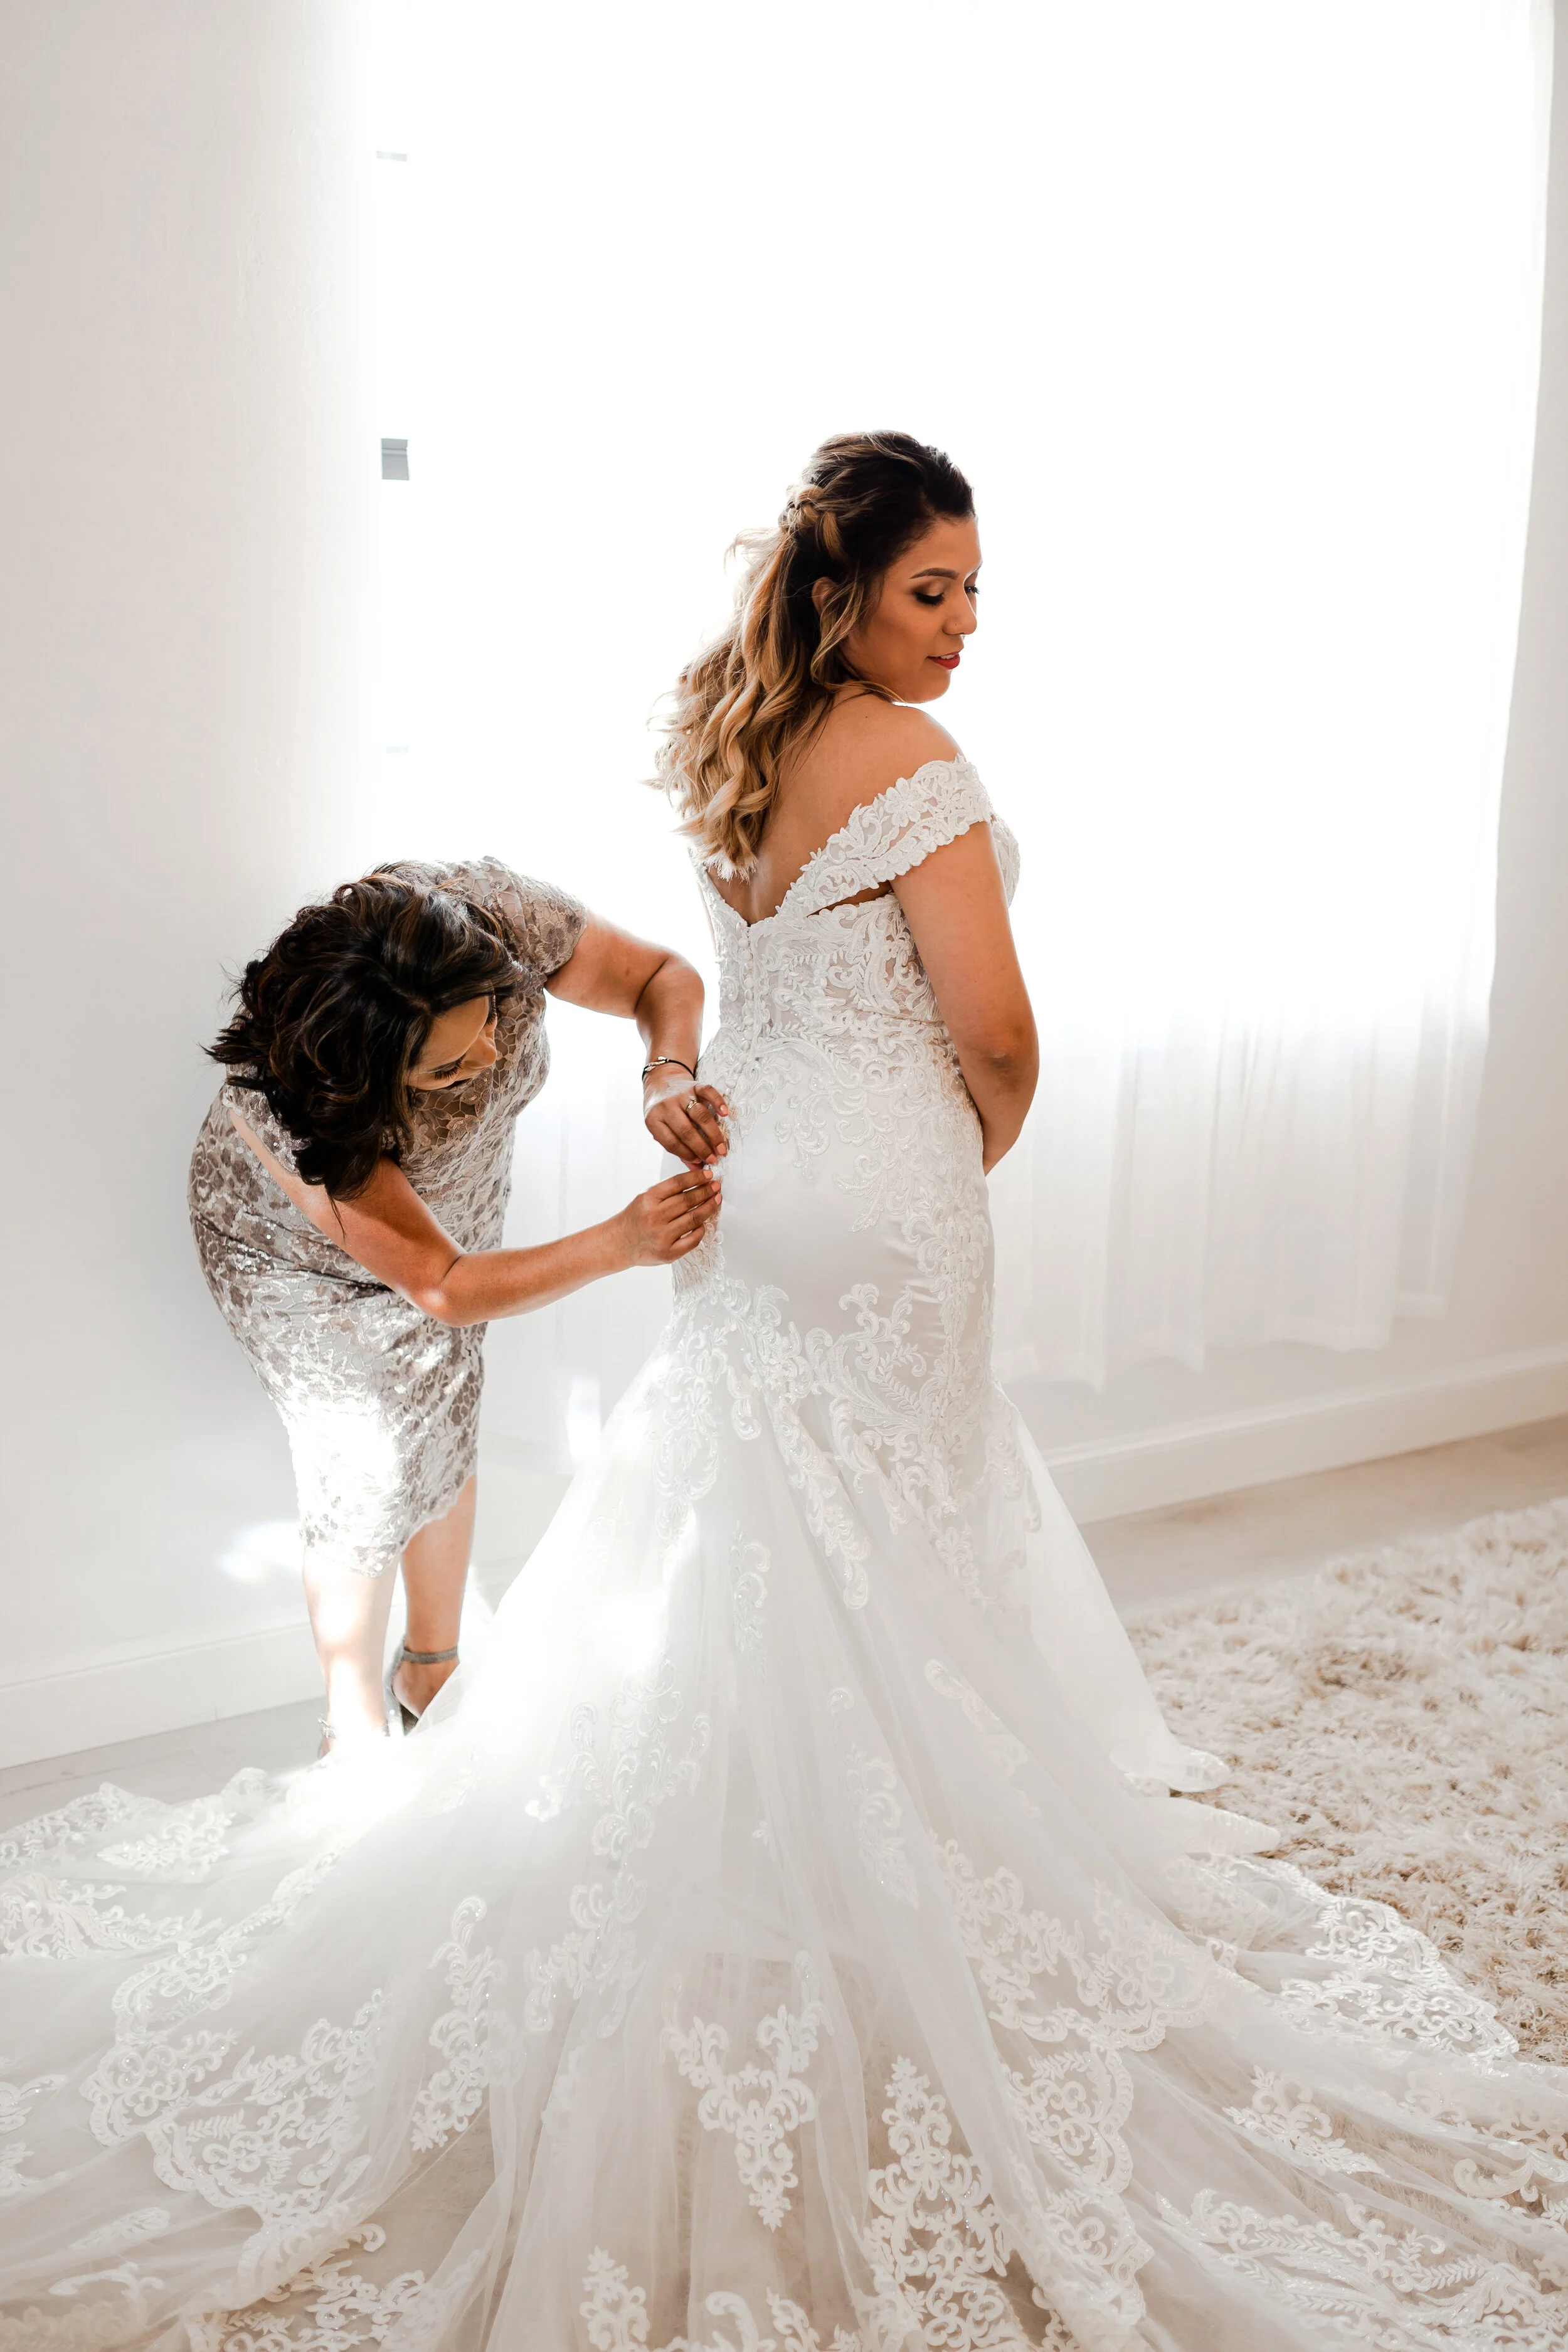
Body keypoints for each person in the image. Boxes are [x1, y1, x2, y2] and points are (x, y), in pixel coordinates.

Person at [3, 435, 1565, 2350]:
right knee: (894, 1525)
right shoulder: (914, 767)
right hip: (879, 1191)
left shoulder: (737, 744)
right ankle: (893, 1878)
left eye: (978, 591)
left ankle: (722, 1824)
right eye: (933, 589)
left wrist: (720, 1095)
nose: (965, 625)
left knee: (751, 1522)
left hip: (756, 1184)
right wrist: (963, 1141)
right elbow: (994, 1034)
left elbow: (717, 981)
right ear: (843, 592)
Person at [188, 860, 723, 1751]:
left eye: (490, 1022)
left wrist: (665, 1073)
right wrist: (621, 1242)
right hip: (293, 1260)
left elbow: (663, 976)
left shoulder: (496, 919)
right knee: (364, 1468)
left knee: (443, 1410)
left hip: (453, 1208)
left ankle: (431, 1668)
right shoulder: (290, 1106)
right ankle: (351, 1731)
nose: (492, 1060)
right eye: (448, 1065)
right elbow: (443, 1285)